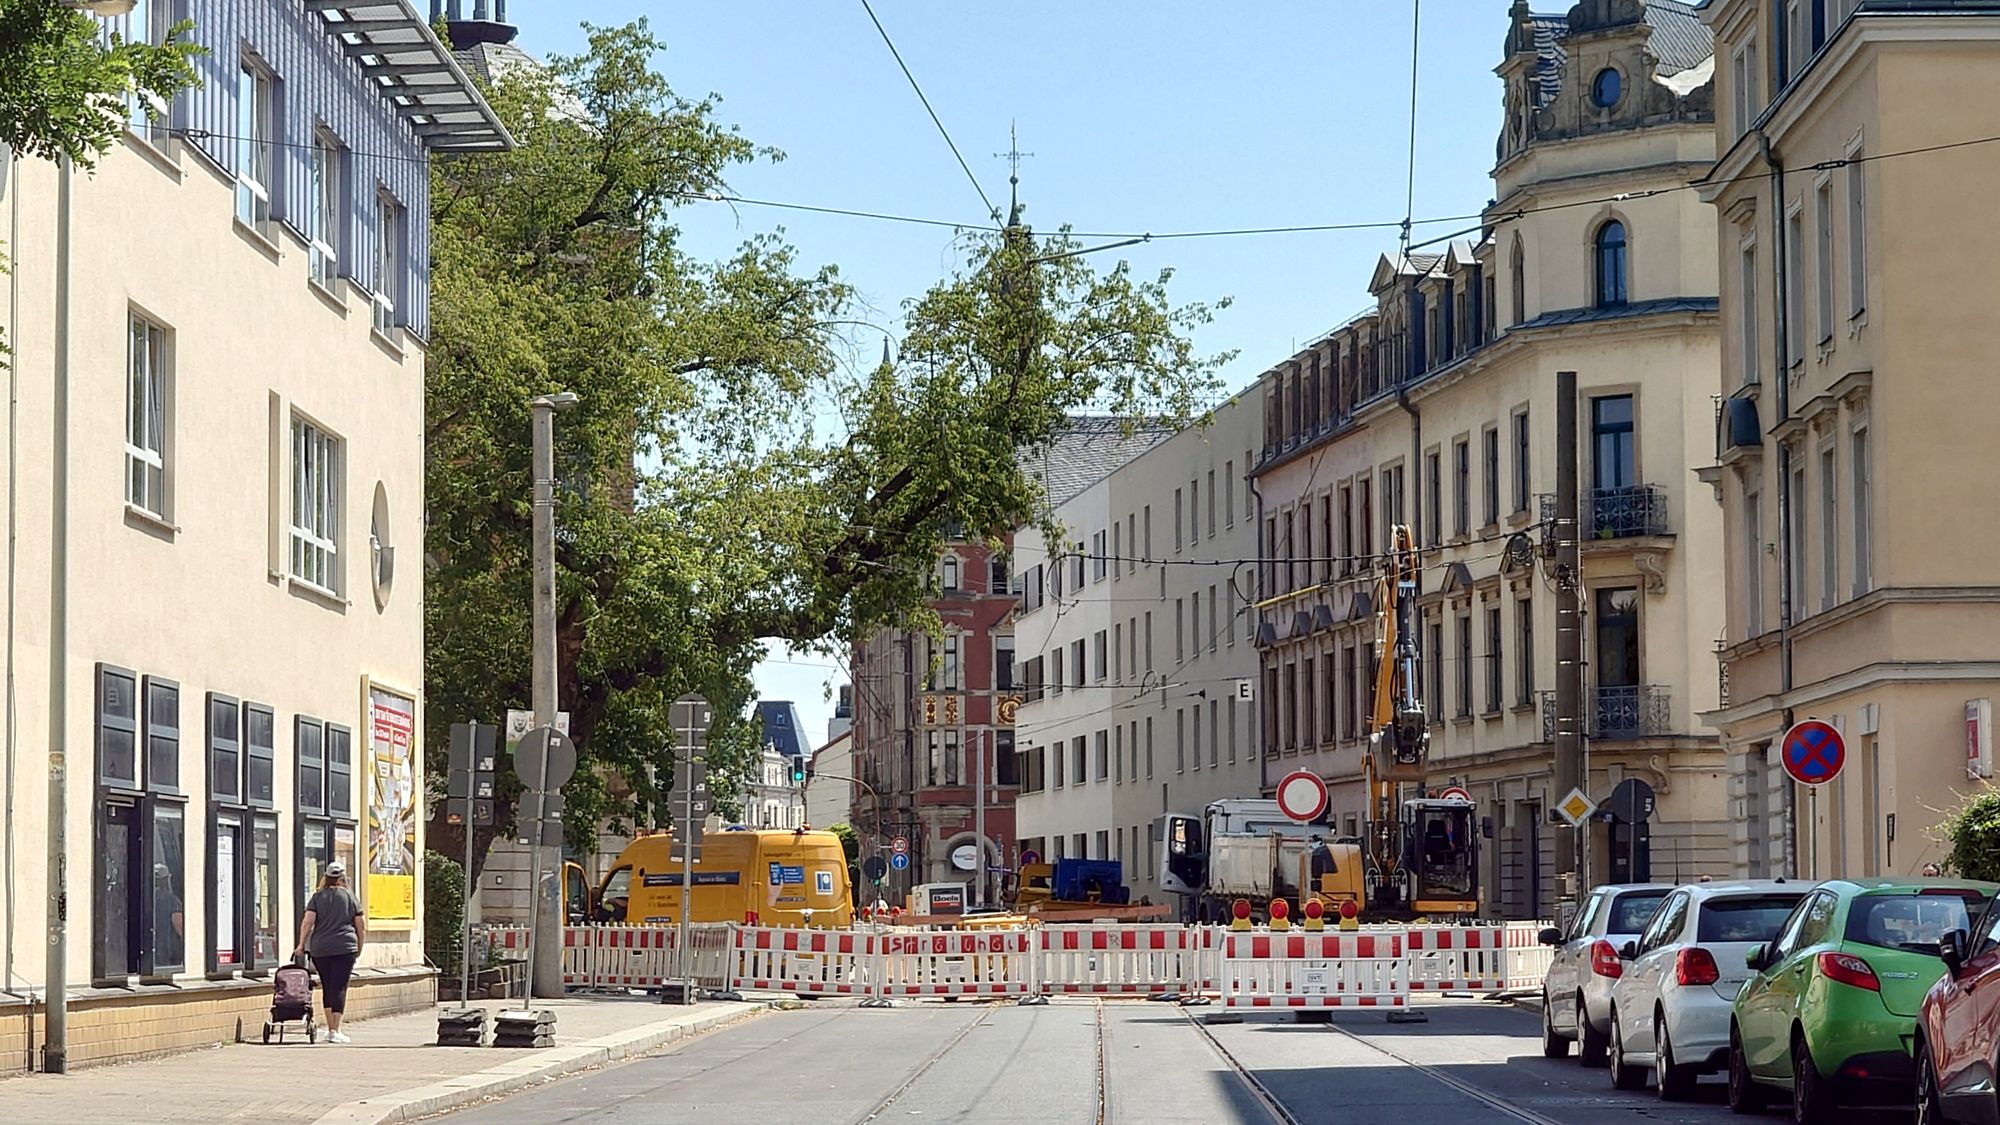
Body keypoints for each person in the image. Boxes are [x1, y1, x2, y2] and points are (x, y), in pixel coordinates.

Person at [295, 861, 366, 1044]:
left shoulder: (317, 897)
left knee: (327, 986)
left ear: (326, 877)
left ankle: (330, 1029)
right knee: (340, 986)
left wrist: (301, 944)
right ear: (343, 878)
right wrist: (360, 946)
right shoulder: (350, 897)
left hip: (321, 948)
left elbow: (308, 922)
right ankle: (336, 1030)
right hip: (345, 947)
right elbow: (361, 926)